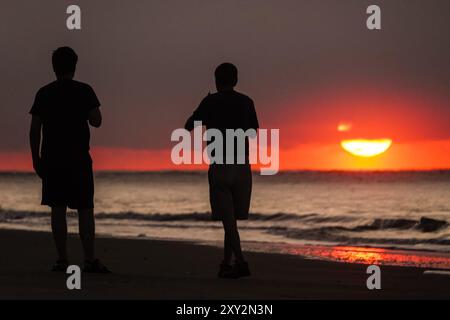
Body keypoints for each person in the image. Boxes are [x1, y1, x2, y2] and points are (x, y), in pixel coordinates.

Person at [29, 47, 110, 273]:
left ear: (54, 67)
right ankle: (89, 259)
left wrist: (36, 159)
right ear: (75, 66)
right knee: (85, 208)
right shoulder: (84, 91)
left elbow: (34, 130)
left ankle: (62, 259)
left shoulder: (44, 93)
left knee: (57, 208)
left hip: (52, 159)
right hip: (78, 158)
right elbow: (97, 121)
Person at [185, 63, 259, 279]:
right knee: (232, 219)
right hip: (242, 166)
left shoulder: (210, 101)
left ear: (216, 81)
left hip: (220, 164)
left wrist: (202, 108)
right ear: (236, 80)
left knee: (228, 219)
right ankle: (227, 264)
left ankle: (241, 261)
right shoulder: (247, 102)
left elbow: (189, 126)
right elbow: (253, 134)